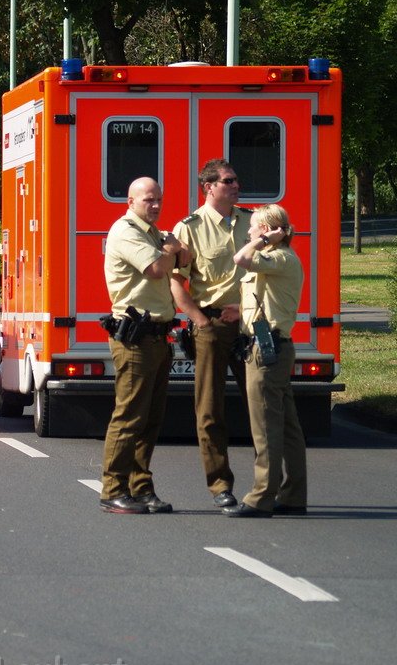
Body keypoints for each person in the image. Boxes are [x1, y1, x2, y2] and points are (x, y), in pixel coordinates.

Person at [99, 177, 190, 514]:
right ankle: (113, 489)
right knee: (129, 416)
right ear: (130, 201)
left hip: (158, 336)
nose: (155, 205)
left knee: (151, 418)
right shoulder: (125, 231)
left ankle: (140, 487)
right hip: (135, 338)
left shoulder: (153, 233)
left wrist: (173, 249)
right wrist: (170, 249)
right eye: (148, 200)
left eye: (159, 200)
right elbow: (156, 269)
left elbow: (187, 258)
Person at [170, 159, 252, 509]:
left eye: (236, 180)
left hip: (251, 324)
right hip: (213, 325)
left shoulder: (252, 221)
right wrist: (200, 320)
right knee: (210, 409)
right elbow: (176, 282)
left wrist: (249, 311)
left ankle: (267, 487)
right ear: (209, 187)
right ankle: (221, 486)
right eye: (228, 181)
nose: (236, 186)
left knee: (264, 405)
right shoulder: (189, 227)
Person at [222, 203, 307, 517]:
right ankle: (294, 494)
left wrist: (265, 239)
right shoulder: (276, 261)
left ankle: (261, 497)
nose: (248, 232)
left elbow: (241, 258)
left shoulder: (278, 257)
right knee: (286, 424)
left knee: (265, 426)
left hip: (266, 350)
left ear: (271, 229)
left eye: (254, 227)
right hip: (271, 346)